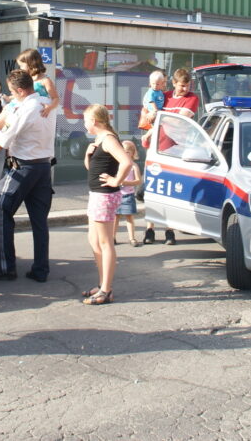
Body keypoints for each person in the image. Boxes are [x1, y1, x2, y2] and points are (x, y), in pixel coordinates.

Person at [0, 69, 55, 282]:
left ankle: (6, 267)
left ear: (19, 90)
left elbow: (0, 142)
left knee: (0, 211)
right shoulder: (45, 102)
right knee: (39, 221)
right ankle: (40, 269)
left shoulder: (25, 109)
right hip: (44, 168)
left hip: (23, 168)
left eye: (12, 91)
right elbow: (4, 116)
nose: (10, 95)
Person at [81, 104, 132, 305]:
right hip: (96, 194)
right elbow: (91, 168)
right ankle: (103, 284)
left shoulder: (109, 139)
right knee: (94, 240)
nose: (85, 124)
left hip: (105, 195)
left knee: (104, 242)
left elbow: (126, 161)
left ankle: (106, 290)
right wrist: (88, 153)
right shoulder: (99, 140)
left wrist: (116, 181)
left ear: (94, 121)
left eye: (86, 121)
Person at [143, 67, 200, 245]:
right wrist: (151, 115)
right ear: (174, 84)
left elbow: (179, 121)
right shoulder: (163, 95)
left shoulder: (192, 99)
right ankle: (149, 229)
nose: (185, 89)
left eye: (187, 85)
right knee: (152, 190)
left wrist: (157, 115)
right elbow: (147, 103)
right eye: (182, 85)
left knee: (170, 192)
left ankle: (169, 231)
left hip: (176, 150)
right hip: (155, 148)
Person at [113, 140, 143, 247]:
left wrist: (125, 182)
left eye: (127, 152)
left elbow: (138, 181)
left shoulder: (134, 166)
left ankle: (132, 238)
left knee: (129, 217)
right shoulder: (118, 164)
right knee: (115, 217)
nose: (125, 154)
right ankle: (113, 237)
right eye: (123, 151)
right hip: (117, 194)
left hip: (128, 195)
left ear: (132, 153)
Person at [17, 48, 60, 118]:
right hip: (28, 113)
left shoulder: (45, 80)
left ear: (30, 64)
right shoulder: (27, 79)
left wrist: (49, 107)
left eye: (21, 65)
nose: (20, 68)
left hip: (40, 115)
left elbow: (56, 98)